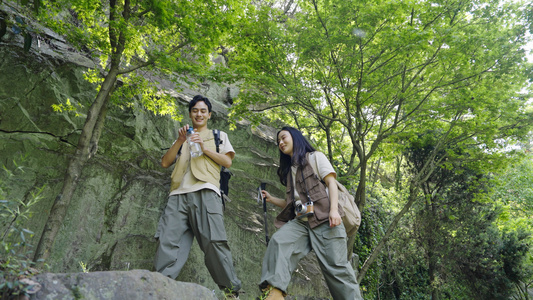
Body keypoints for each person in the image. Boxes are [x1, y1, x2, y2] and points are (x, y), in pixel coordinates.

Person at [259, 126, 363, 300]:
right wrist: (271, 199)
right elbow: (292, 204)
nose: (281, 143)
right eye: (278, 141)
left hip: (325, 220)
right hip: (302, 222)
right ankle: (274, 293)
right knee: (279, 241)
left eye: (284, 138)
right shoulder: (290, 171)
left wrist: (333, 211)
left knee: (337, 270)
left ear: (295, 137)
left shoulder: (315, 157)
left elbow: (331, 182)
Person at [154, 95, 241, 298]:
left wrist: (204, 147)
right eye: (195, 110)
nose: (199, 114)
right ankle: (159, 289)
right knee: (167, 242)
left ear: (209, 114)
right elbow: (165, 163)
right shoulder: (182, 138)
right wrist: (180, 140)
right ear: (190, 113)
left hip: (206, 191)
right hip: (177, 195)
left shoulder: (219, 136)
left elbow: (227, 162)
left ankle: (231, 292)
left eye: (203, 111)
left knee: (214, 242)